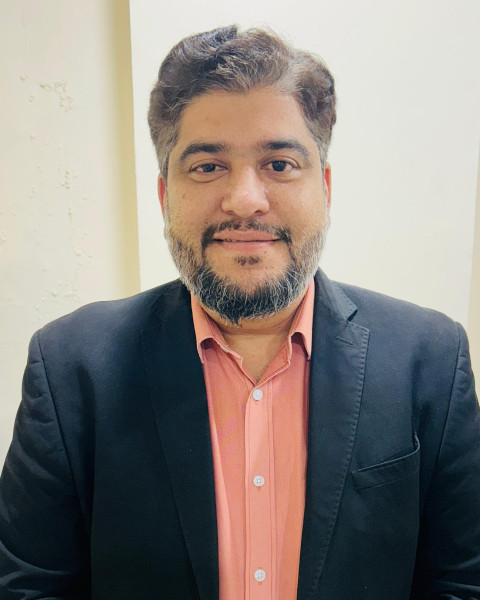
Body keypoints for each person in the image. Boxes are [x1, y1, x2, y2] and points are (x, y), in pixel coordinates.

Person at [0, 24, 479, 600]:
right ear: (164, 196)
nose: (246, 199)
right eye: (207, 166)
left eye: (279, 163)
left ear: (325, 188)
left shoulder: (431, 360)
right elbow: (29, 588)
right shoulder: (69, 369)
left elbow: (462, 582)